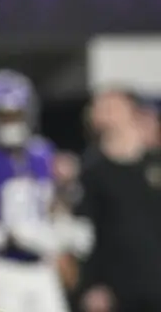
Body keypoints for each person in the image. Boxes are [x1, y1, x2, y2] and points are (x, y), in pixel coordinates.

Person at [0, 70, 70, 312]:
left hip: (41, 264)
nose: (10, 122)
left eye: (15, 114)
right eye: (3, 116)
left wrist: (58, 234)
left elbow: (53, 205)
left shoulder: (43, 154)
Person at [77, 89, 161, 312]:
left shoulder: (154, 164)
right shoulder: (91, 171)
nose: (105, 113)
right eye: (100, 107)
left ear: (132, 112)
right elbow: (85, 235)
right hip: (115, 289)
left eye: (113, 107)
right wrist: (91, 284)